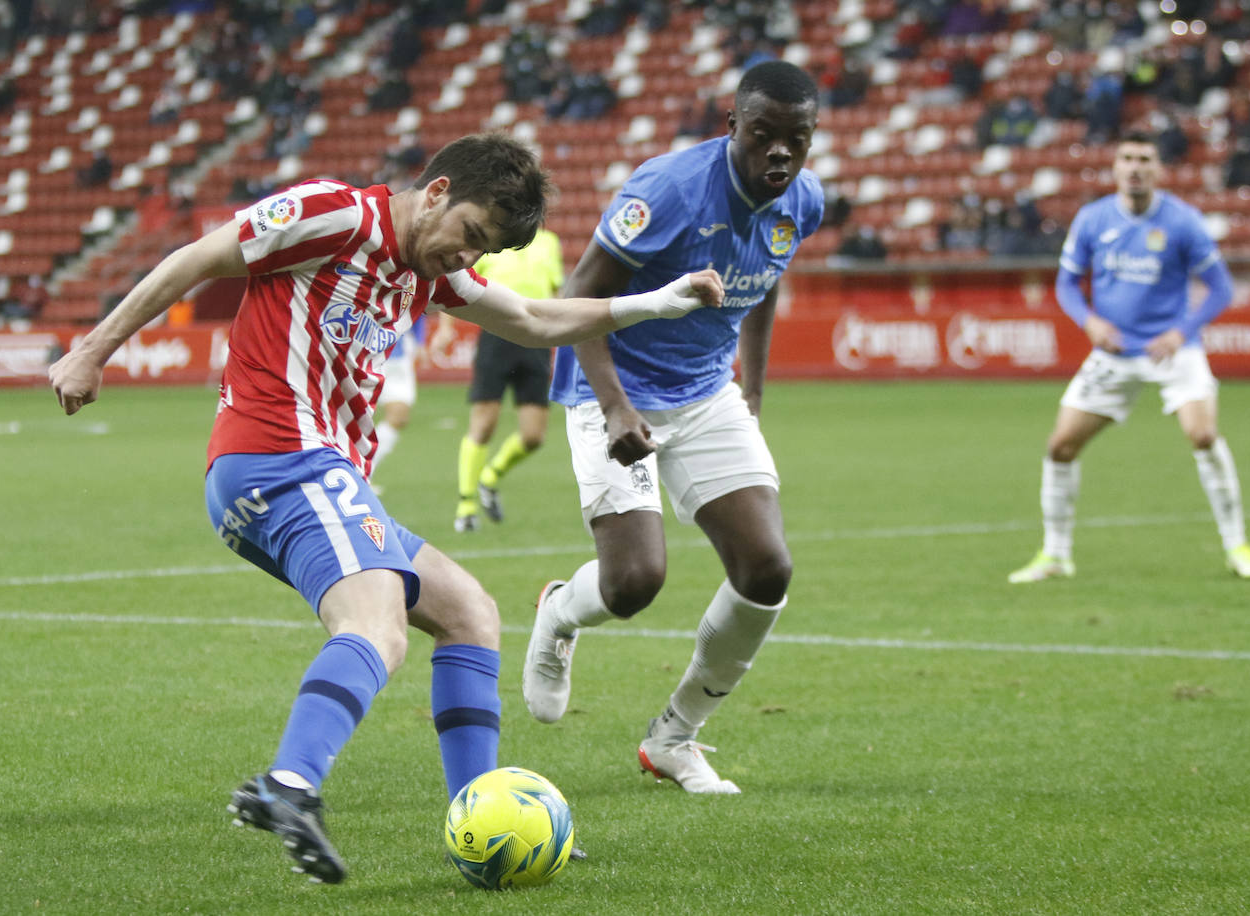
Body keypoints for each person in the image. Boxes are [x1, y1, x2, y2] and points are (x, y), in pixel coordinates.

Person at [47, 131, 724, 884]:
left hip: (318, 476)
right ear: (435, 193)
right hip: (277, 458)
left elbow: (534, 321)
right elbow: (198, 257)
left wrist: (656, 304)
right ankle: (290, 785)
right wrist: (93, 348)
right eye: (469, 234)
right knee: (378, 627)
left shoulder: (426, 273)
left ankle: (480, 821)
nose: (466, 258)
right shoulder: (334, 215)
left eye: (483, 251)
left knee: (469, 610)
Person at [521, 61, 824, 794]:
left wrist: (750, 385)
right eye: (763, 135)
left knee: (767, 569)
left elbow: (764, 280)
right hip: (612, 386)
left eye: (797, 140)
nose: (779, 153)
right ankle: (561, 611)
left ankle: (674, 738)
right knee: (633, 584)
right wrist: (618, 405)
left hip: (705, 392)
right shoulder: (668, 191)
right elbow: (577, 298)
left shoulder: (802, 201)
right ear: (732, 127)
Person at [1008, 132, 1250, 584]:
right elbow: (1067, 283)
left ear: (1159, 169)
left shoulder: (1182, 222)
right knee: (1060, 446)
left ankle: (1238, 545)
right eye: (1127, 158)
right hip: (1115, 352)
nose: (1135, 167)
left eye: (1145, 158)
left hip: (1173, 351)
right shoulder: (1092, 219)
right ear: (1115, 167)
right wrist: (1089, 322)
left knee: (1202, 435)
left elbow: (1220, 287)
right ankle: (1056, 554)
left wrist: (1181, 331)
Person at [454, 225, 563, 532]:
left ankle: (490, 478)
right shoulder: (494, 236)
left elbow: (556, 290)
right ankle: (466, 505)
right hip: (496, 337)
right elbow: (457, 282)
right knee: (484, 424)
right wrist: (448, 328)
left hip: (536, 340)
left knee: (533, 436)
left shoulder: (549, 241)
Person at [368, 315, 424, 478]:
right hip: (359, 351)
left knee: (399, 416)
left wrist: (420, 340)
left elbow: (419, 304)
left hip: (394, 354)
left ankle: (364, 472)